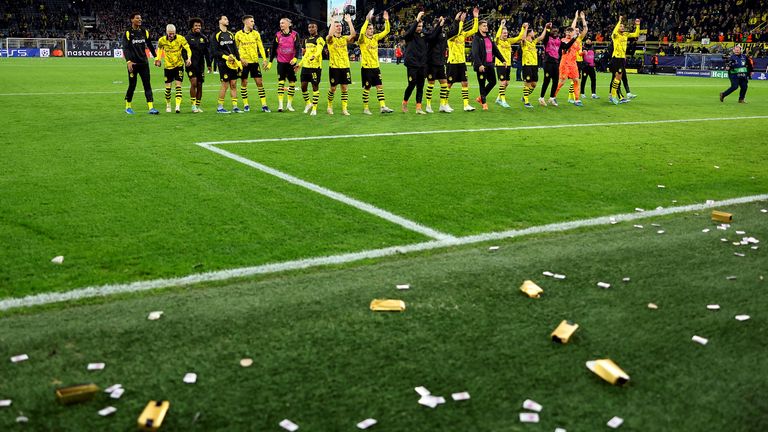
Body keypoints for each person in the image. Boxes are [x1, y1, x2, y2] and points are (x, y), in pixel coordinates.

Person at [357, 9, 394, 114]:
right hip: (366, 67)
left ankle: (383, 107)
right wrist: (366, 20)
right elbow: (361, 32)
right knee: (367, 88)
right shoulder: (362, 39)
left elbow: (387, 31)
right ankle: (366, 108)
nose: (371, 30)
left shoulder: (375, 38)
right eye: (369, 29)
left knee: (379, 87)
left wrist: (386, 20)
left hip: (376, 67)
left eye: (372, 29)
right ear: (366, 30)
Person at [122, 12, 158, 114]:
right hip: (133, 64)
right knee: (132, 85)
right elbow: (125, 48)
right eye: (137, 18)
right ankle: (128, 107)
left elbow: (150, 45)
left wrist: (156, 57)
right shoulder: (128, 32)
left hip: (144, 63)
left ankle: (151, 108)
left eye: (140, 19)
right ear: (132, 20)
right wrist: (128, 61)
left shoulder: (144, 31)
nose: (140, 20)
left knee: (147, 85)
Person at [446, 7, 480, 112]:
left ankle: (466, 105)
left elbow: (474, 30)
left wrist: (475, 18)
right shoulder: (451, 37)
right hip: (452, 62)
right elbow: (456, 31)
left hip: (462, 62)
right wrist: (460, 21)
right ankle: (444, 103)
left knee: (465, 82)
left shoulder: (463, 35)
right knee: (449, 84)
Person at [235, 15, 270, 113]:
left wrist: (264, 59)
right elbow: (235, 50)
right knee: (244, 83)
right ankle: (246, 104)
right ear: (245, 22)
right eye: (251, 21)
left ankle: (264, 105)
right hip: (244, 63)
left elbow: (261, 47)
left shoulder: (256, 34)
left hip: (254, 62)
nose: (253, 23)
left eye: (253, 21)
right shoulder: (238, 34)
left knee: (259, 82)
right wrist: (240, 59)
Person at [155, 24, 191, 113]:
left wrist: (189, 58)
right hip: (168, 66)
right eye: (170, 33)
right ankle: (168, 104)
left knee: (178, 86)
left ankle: (177, 106)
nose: (171, 35)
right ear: (166, 32)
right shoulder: (162, 40)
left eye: (173, 33)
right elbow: (159, 50)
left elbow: (188, 49)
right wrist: (158, 59)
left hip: (178, 65)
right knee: (168, 89)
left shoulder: (180, 39)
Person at [471, 19, 506, 111]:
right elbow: (475, 53)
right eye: (484, 26)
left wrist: (503, 60)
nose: (486, 27)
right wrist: (479, 65)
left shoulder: (488, 37)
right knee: (482, 85)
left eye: (486, 25)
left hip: (490, 64)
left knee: (493, 82)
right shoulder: (476, 38)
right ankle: (484, 103)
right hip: (481, 66)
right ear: (479, 27)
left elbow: (495, 50)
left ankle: (480, 98)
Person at [553, 11, 586, 107]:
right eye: (567, 32)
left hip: (573, 63)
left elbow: (578, 52)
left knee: (576, 80)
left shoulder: (576, 43)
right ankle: (553, 96)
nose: (568, 33)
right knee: (562, 82)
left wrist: (583, 53)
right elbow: (566, 47)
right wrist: (575, 18)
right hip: (565, 63)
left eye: (570, 32)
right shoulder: (563, 41)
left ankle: (577, 99)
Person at [268, 18, 300, 112]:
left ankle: (289, 105)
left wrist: (295, 58)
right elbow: (273, 49)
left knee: (292, 83)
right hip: (281, 62)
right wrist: (270, 62)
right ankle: (280, 105)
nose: (281, 24)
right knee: (281, 83)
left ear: (289, 24)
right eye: (280, 23)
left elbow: (297, 47)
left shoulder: (295, 34)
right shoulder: (277, 35)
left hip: (291, 63)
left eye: (282, 23)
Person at [326, 14, 356, 115]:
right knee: (333, 88)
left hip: (345, 66)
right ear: (333, 28)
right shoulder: (330, 39)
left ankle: (344, 109)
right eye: (337, 26)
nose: (339, 27)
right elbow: (330, 35)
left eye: (340, 26)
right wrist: (332, 22)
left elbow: (353, 34)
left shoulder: (344, 38)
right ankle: (329, 106)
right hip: (334, 67)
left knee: (344, 88)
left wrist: (349, 21)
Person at [212, 15, 242, 113]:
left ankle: (235, 107)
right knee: (225, 85)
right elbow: (215, 51)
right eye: (225, 19)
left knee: (233, 84)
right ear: (220, 21)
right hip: (223, 64)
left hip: (233, 64)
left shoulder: (230, 34)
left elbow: (235, 49)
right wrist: (226, 57)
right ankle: (220, 107)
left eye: (227, 19)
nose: (227, 20)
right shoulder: (216, 35)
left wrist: (239, 61)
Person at [609, 16, 640, 105]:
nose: (622, 27)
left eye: (623, 26)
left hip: (622, 59)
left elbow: (636, 34)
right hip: (616, 58)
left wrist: (637, 25)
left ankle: (613, 96)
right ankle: (614, 96)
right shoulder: (615, 35)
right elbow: (614, 31)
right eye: (620, 26)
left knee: (618, 78)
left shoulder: (625, 34)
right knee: (617, 77)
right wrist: (619, 21)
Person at [424, 15, 453, 113]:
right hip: (431, 63)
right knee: (431, 84)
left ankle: (442, 105)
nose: (441, 26)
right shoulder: (430, 34)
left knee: (444, 84)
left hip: (441, 63)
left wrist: (458, 20)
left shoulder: (444, 34)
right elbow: (433, 37)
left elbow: (454, 32)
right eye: (439, 24)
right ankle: (428, 105)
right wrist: (439, 26)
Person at [494, 19, 525, 107]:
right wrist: (501, 25)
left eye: (506, 32)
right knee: (503, 82)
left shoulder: (509, 41)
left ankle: (498, 98)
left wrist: (523, 28)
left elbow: (519, 38)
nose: (506, 34)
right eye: (504, 33)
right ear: (500, 33)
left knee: (506, 83)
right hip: (500, 64)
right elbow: (497, 36)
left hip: (508, 64)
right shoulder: (498, 41)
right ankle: (503, 101)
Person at [402, 11, 429, 114]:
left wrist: (440, 25)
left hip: (422, 65)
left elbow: (433, 35)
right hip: (412, 65)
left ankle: (418, 108)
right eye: (418, 26)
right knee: (412, 84)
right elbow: (408, 32)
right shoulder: (409, 35)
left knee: (421, 86)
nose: (420, 28)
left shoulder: (423, 35)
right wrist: (417, 19)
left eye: (421, 26)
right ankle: (404, 102)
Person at [186, 18, 212, 113]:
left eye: (199, 26)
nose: (198, 27)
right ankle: (193, 106)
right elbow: (184, 51)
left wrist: (209, 64)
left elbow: (207, 52)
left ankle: (197, 105)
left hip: (201, 65)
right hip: (191, 64)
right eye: (196, 25)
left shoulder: (203, 38)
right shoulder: (187, 38)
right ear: (192, 27)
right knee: (194, 83)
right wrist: (186, 59)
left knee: (200, 85)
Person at [299, 22, 325, 115]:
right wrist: (300, 64)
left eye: (313, 27)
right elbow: (305, 54)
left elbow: (319, 50)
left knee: (315, 87)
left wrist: (314, 56)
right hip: (306, 66)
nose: (311, 29)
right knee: (303, 87)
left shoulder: (320, 39)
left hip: (315, 67)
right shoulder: (305, 39)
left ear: (316, 28)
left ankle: (314, 108)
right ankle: (308, 103)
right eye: (309, 27)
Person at [520, 23, 548, 108]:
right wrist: (526, 28)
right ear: (528, 33)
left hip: (534, 65)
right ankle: (526, 102)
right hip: (527, 65)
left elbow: (541, 37)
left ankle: (524, 96)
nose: (534, 33)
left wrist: (545, 28)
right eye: (532, 32)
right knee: (527, 83)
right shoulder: (524, 42)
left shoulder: (534, 42)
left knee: (534, 84)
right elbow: (523, 37)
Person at [539, 23, 561, 106]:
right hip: (548, 63)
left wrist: (574, 38)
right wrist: (547, 28)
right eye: (553, 31)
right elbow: (546, 35)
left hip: (555, 62)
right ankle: (541, 98)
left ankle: (552, 98)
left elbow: (566, 45)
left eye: (557, 32)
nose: (555, 33)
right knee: (547, 80)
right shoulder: (547, 40)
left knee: (555, 81)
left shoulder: (558, 41)